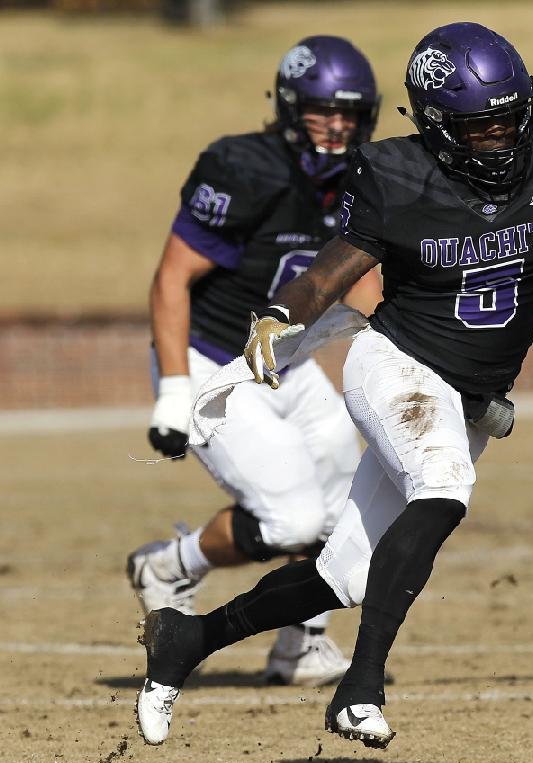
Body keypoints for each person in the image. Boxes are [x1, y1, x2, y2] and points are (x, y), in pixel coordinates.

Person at [133, 21, 533, 749]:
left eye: (508, 120)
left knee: (346, 577)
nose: (500, 139)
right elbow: (333, 269)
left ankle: (188, 637)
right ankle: (361, 684)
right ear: (436, 127)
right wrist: (283, 314)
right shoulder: (397, 176)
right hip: (397, 364)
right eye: (479, 127)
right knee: (443, 487)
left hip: (467, 394)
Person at [126, 36, 384, 687]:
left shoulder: (360, 179)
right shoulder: (245, 168)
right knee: (291, 519)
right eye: (325, 112)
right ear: (292, 108)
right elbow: (171, 278)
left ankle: (301, 643)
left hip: (286, 364)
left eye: (351, 114)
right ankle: (169, 565)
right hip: (212, 363)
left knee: (351, 505)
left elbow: (364, 287)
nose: (338, 126)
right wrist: (174, 390)